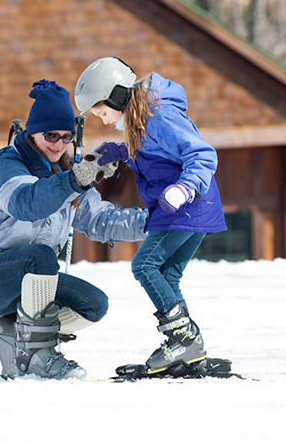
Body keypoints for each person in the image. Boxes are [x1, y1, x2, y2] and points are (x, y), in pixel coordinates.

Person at [0, 79, 148, 380]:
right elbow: (28, 203)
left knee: (93, 305)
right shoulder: (8, 165)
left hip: (23, 285)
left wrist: (159, 220)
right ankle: (36, 356)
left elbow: (102, 221)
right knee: (40, 257)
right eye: (50, 135)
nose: (58, 144)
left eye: (67, 137)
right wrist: (76, 179)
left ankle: (11, 332)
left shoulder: (69, 172)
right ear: (32, 132)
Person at [74, 57, 227, 374]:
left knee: (144, 265)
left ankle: (184, 338)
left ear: (117, 96)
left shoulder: (160, 116)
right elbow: (141, 153)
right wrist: (101, 158)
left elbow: (201, 153)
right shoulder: (140, 120)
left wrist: (184, 189)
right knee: (167, 273)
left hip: (184, 205)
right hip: (186, 208)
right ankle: (186, 347)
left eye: (103, 111)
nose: (103, 120)